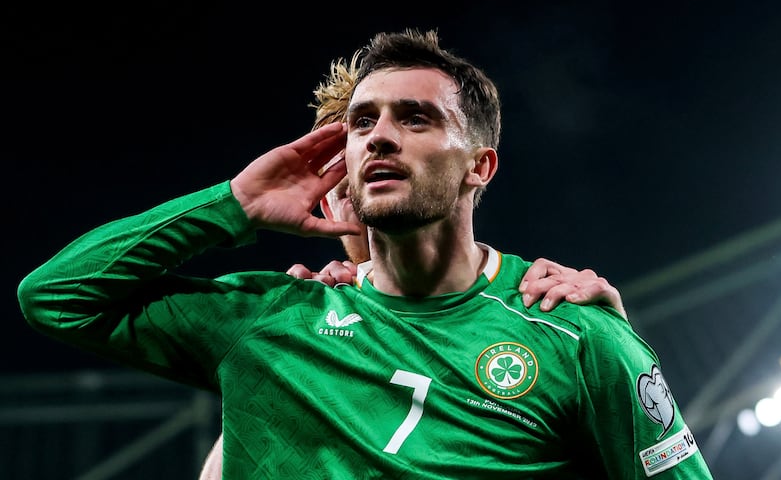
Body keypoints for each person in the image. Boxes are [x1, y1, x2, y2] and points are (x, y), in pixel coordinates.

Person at [18, 29, 709, 478]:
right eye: (361, 124)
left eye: (415, 118)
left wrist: (617, 345)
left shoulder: (574, 332)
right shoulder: (276, 321)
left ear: (479, 167)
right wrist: (234, 204)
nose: (378, 138)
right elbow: (56, 296)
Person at [197, 52, 629, 480]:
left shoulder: (536, 312)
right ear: (323, 205)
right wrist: (264, 369)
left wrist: (612, 350)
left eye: (411, 125)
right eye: (345, 191)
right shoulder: (299, 326)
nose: (367, 211)